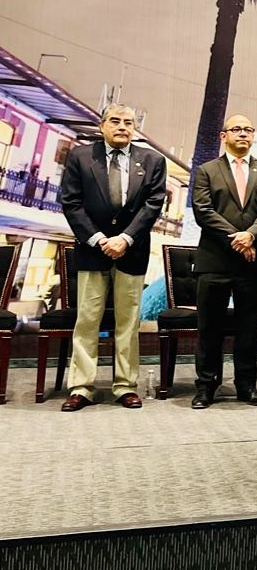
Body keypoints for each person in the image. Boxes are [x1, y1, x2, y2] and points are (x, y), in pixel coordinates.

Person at [58, 103, 167, 411]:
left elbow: (153, 204)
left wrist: (125, 238)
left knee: (128, 323)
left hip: (132, 251)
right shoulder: (80, 156)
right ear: (102, 125)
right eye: (116, 121)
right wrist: (99, 239)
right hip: (92, 251)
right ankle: (81, 387)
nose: (122, 127)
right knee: (87, 320)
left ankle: (125, 386)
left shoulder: (153, 160)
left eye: (128, 122)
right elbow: (71, 202)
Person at [190, 114, 257, 409]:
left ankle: (246, 386)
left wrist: (251, 235)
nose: (243, 134)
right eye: (237, 129)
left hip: (254, 261)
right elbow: (203, 211)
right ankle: (206, 386)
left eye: (248, 129)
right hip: (214, 260)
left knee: (249, 329)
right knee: (209, 329)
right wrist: (238, 239)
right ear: (223, 135)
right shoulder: (207, 170)